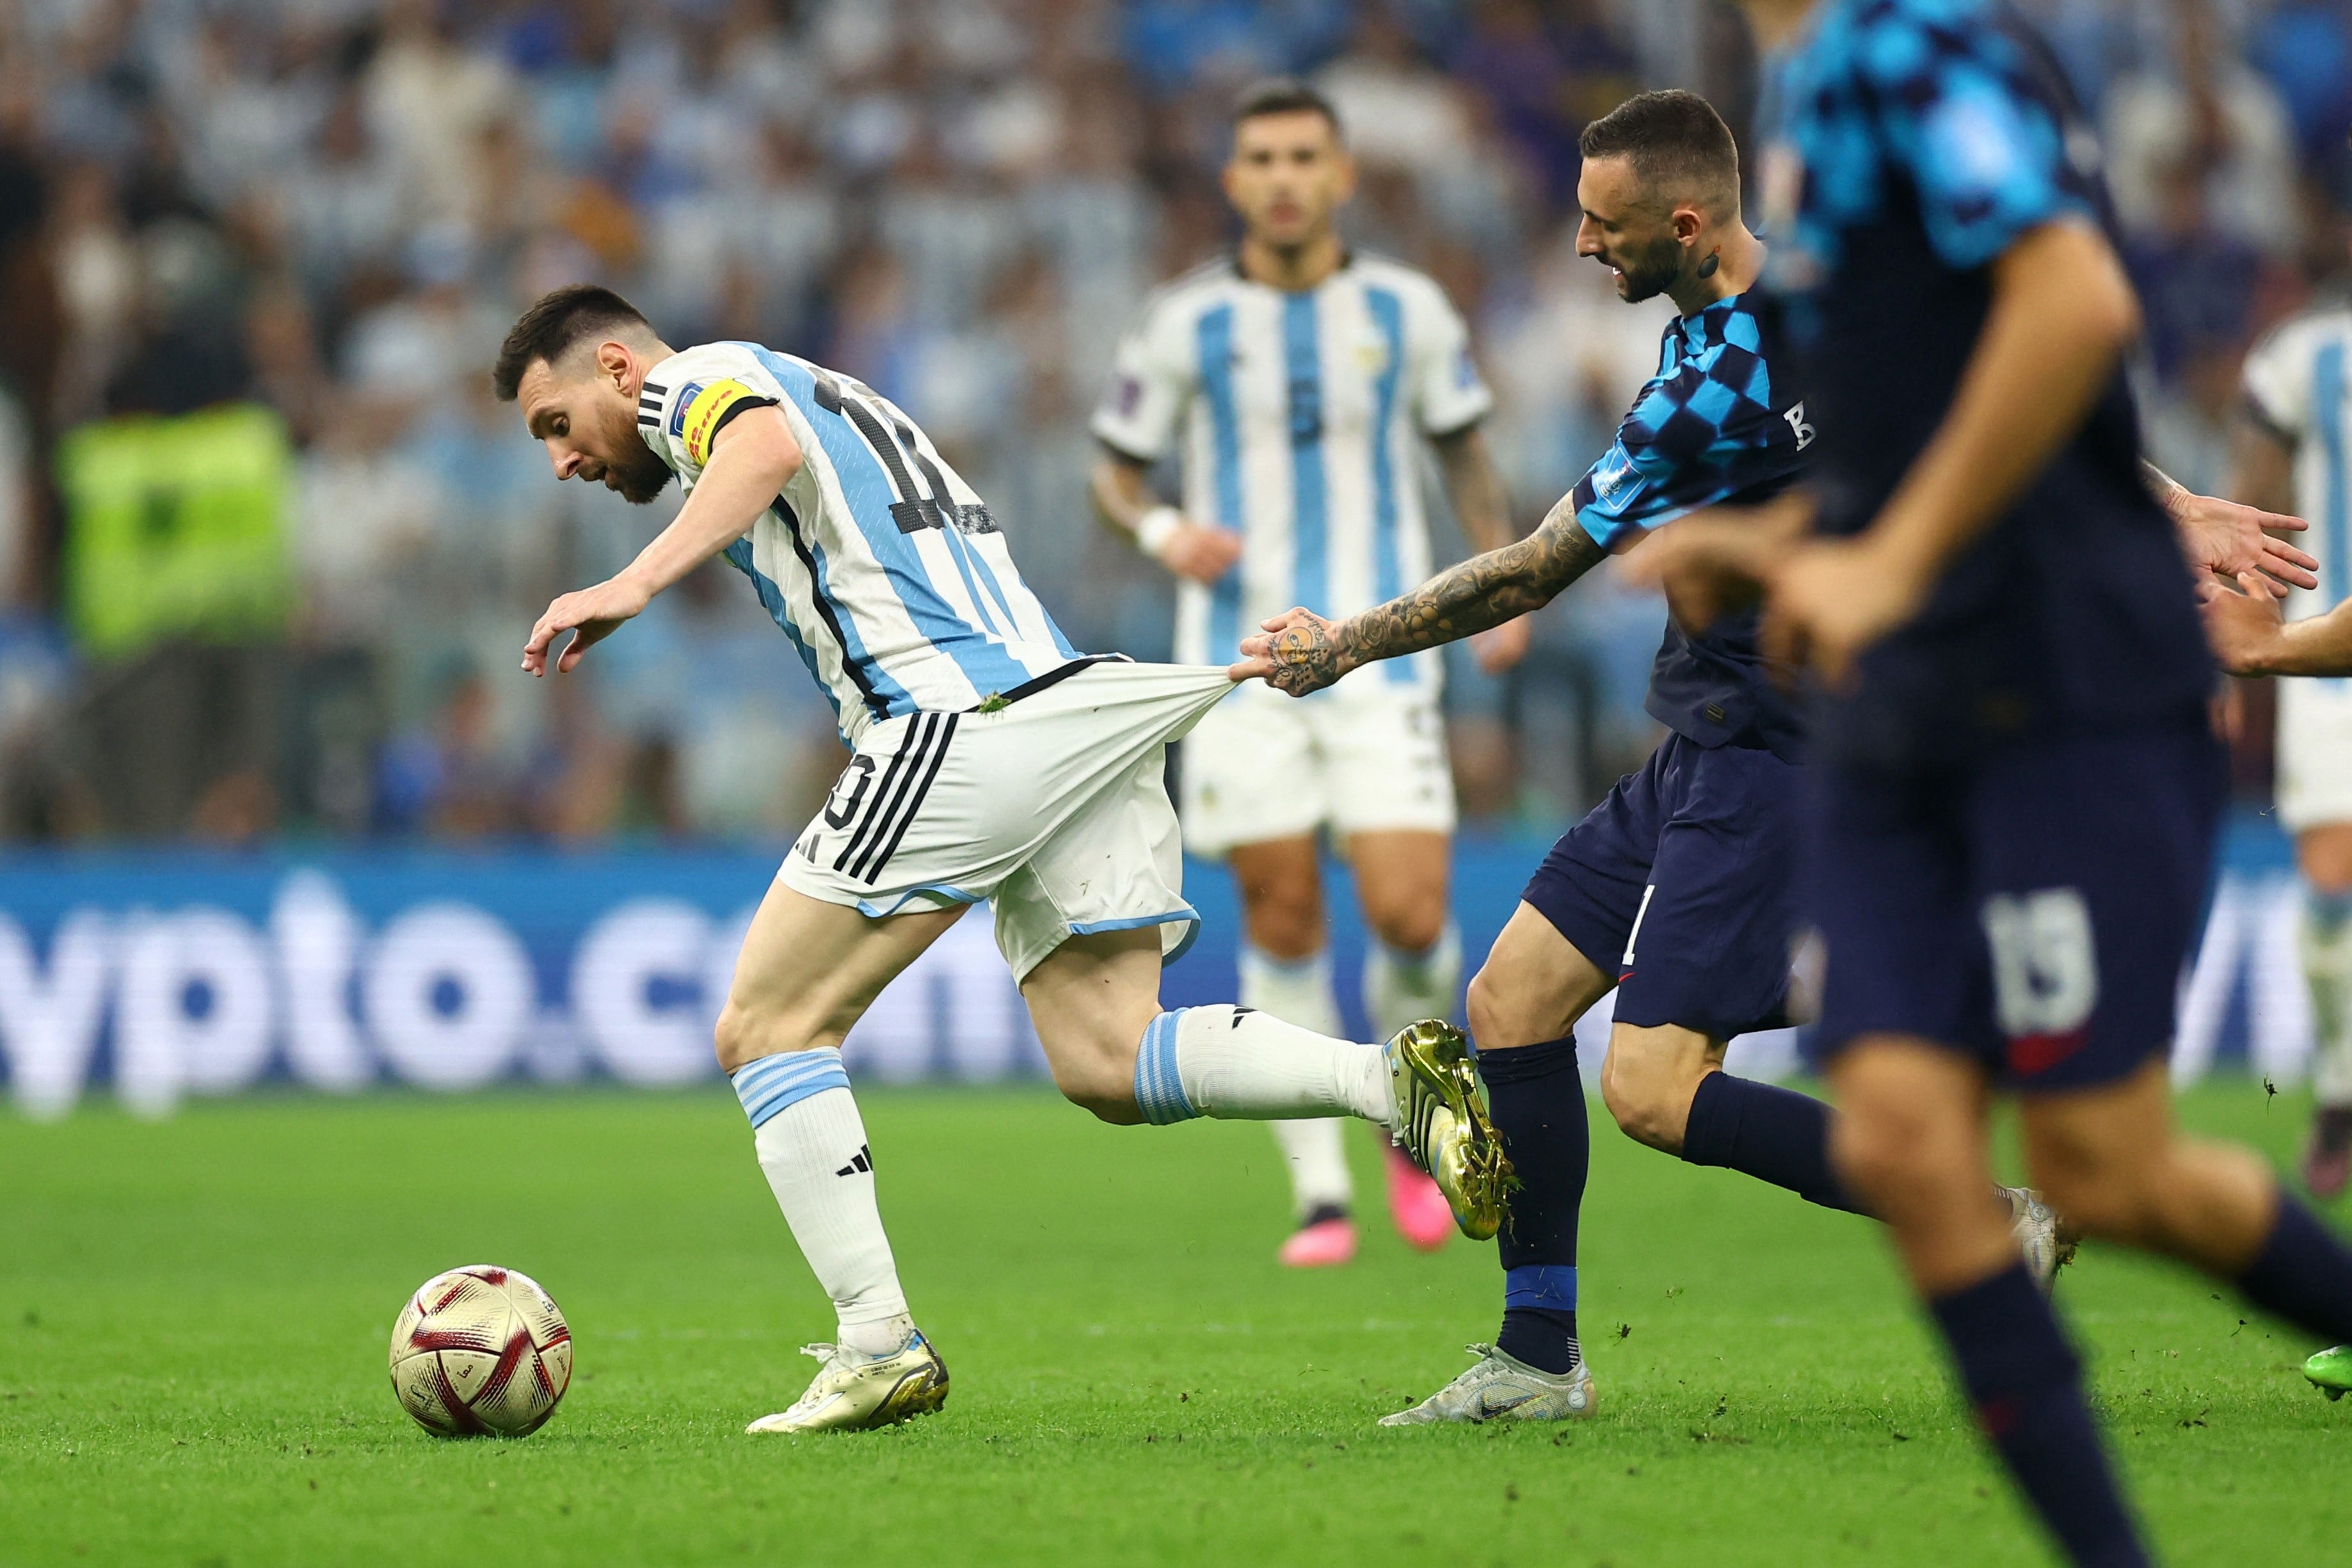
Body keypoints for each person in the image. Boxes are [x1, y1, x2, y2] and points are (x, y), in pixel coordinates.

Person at [1243, 87, 2316, 1428]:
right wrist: (2175, 503)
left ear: (1684, 225)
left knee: (1649, 1086)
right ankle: (1533, 1360)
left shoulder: (1708, 389)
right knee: (1510, 1002)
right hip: (1705, 734)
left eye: (1602, 226)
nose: (1582, 248)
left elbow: (1528, 572)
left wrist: (1341, 646)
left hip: (1769, 754)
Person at [495, 284, 1508, 1436]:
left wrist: (631, 581)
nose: (563, 462)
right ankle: (1392, 1087)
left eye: (555, 425)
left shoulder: (696, 379)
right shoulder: (830, 383)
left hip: (952, 725)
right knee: (1108, 1060)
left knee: (766, 1026)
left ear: (619, 369)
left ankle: (877, 1340)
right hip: (1077, 707)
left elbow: (760, 446)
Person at [1636, 3, 2352, 1562]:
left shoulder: (1911, 43)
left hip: (2056, 689)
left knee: (2109, 1168)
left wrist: (1887, 554)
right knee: (1902, 1144)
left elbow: (2071, 302)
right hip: (1904, 702)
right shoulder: (1813, 89)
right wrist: (1765, 542)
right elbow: (1919, 402)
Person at [1090, 78, 1531, 1267]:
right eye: (1262, 159)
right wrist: (1161, 533)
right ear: (1233, 182)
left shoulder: (1409, 309)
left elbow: (1465, 454)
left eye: (1304, 157)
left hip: (1381, 654)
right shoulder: (1184, 323)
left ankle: (1410, 1118)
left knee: (1409, 910)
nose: (1284, 178)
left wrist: (1501, 587)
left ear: (1342, 175)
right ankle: (1322, 1190)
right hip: (1237, 664)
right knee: (1281, 908)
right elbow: (1115, 469)